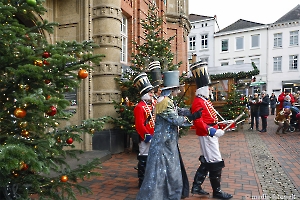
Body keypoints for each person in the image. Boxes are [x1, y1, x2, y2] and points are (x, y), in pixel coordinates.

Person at [136, 70, 202, 200]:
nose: (178, 91)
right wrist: (192, 118)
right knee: (162, 171)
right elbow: (175, 119)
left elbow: (177, 110)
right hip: (163, 143)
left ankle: (169, 193)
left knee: (170, 169)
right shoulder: (164, 102)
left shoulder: (166, 100)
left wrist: (189, 112)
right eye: (176, 89)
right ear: (171, 89)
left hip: (168, 142)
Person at [189, 61, 233, 199]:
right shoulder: (198, 101)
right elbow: (198, 122)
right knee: (215, 161)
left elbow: (211, 119)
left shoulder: (204, 100)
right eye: (208, 87)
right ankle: (217, 192)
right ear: (203, 88)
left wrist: (222, 124)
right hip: (207, 135)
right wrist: (212, 131)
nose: (210, 89)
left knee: (208, 160)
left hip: (210, 134)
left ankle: (197, 186)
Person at [133, 72, 156, 188]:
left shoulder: (152, 105)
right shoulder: (139, 107)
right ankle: (141, 181)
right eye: (150, 93)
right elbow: (139, 125)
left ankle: (150, 178)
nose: (152, 94)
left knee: (152, 158)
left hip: (154, 135)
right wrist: (147, 136)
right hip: (146, 137)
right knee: (144, 157)